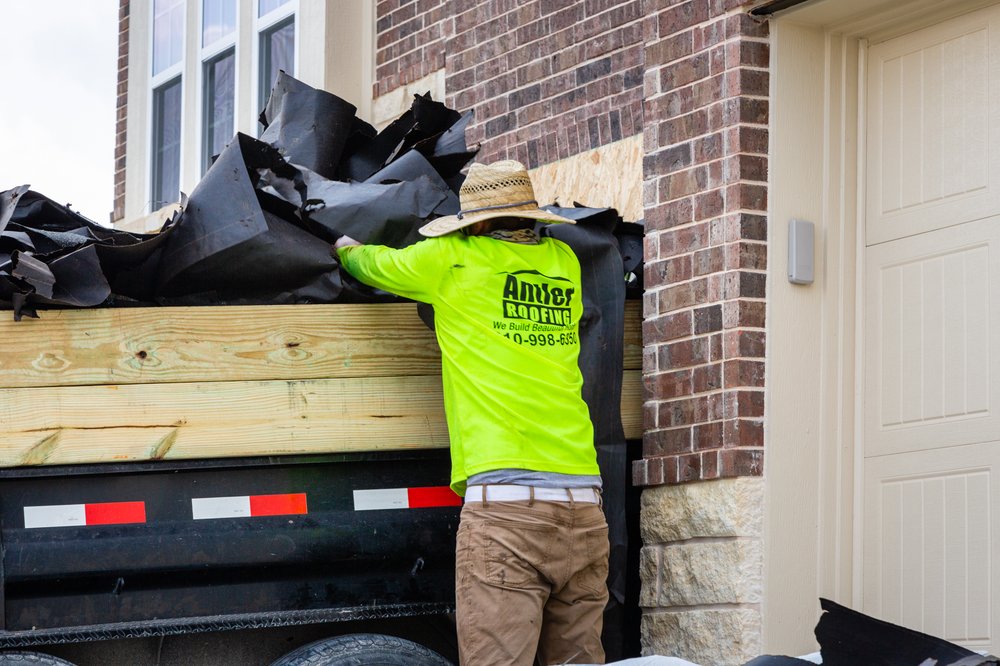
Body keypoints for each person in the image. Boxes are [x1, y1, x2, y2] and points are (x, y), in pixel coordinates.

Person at [335, 160, 609, 666]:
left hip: (508, 510)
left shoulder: (450, 260)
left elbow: (374, 266)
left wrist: (344, 247)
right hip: (585, 505)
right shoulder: (564, 263)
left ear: (474, 223)